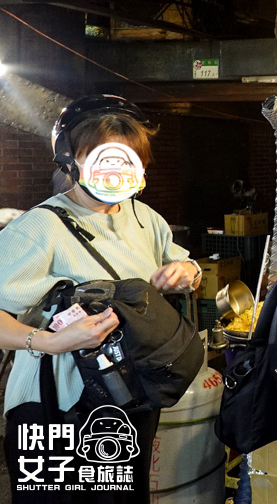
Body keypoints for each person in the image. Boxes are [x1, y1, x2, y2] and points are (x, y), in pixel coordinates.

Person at [0, 94, 202, 503]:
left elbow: (182, 264)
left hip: (129, 398)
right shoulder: (38, 227)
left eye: (128, 159)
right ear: (70, 160)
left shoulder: (145, 218)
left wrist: (188, 273)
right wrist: (51, 341)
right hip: (56, 406)